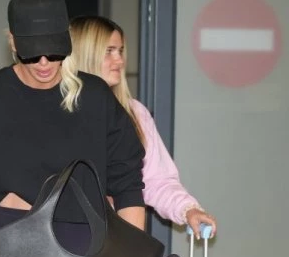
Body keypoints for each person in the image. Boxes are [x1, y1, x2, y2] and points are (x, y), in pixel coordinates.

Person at [0, 0, 146, 257]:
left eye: (54, 52)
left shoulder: (95, 96)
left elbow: (128, 181)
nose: (44, 63)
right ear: (13, 43)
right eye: (32, 54)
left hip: (89, 238)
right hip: (11, 237)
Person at [68, 15, 218, 239]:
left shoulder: (135, 114)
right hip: (63, 238)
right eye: (109, 51)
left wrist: (188, 210)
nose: (119, 60)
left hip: (117, 242)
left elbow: (157, 180)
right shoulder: (58, 111)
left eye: (120, 51)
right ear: (85, 54)